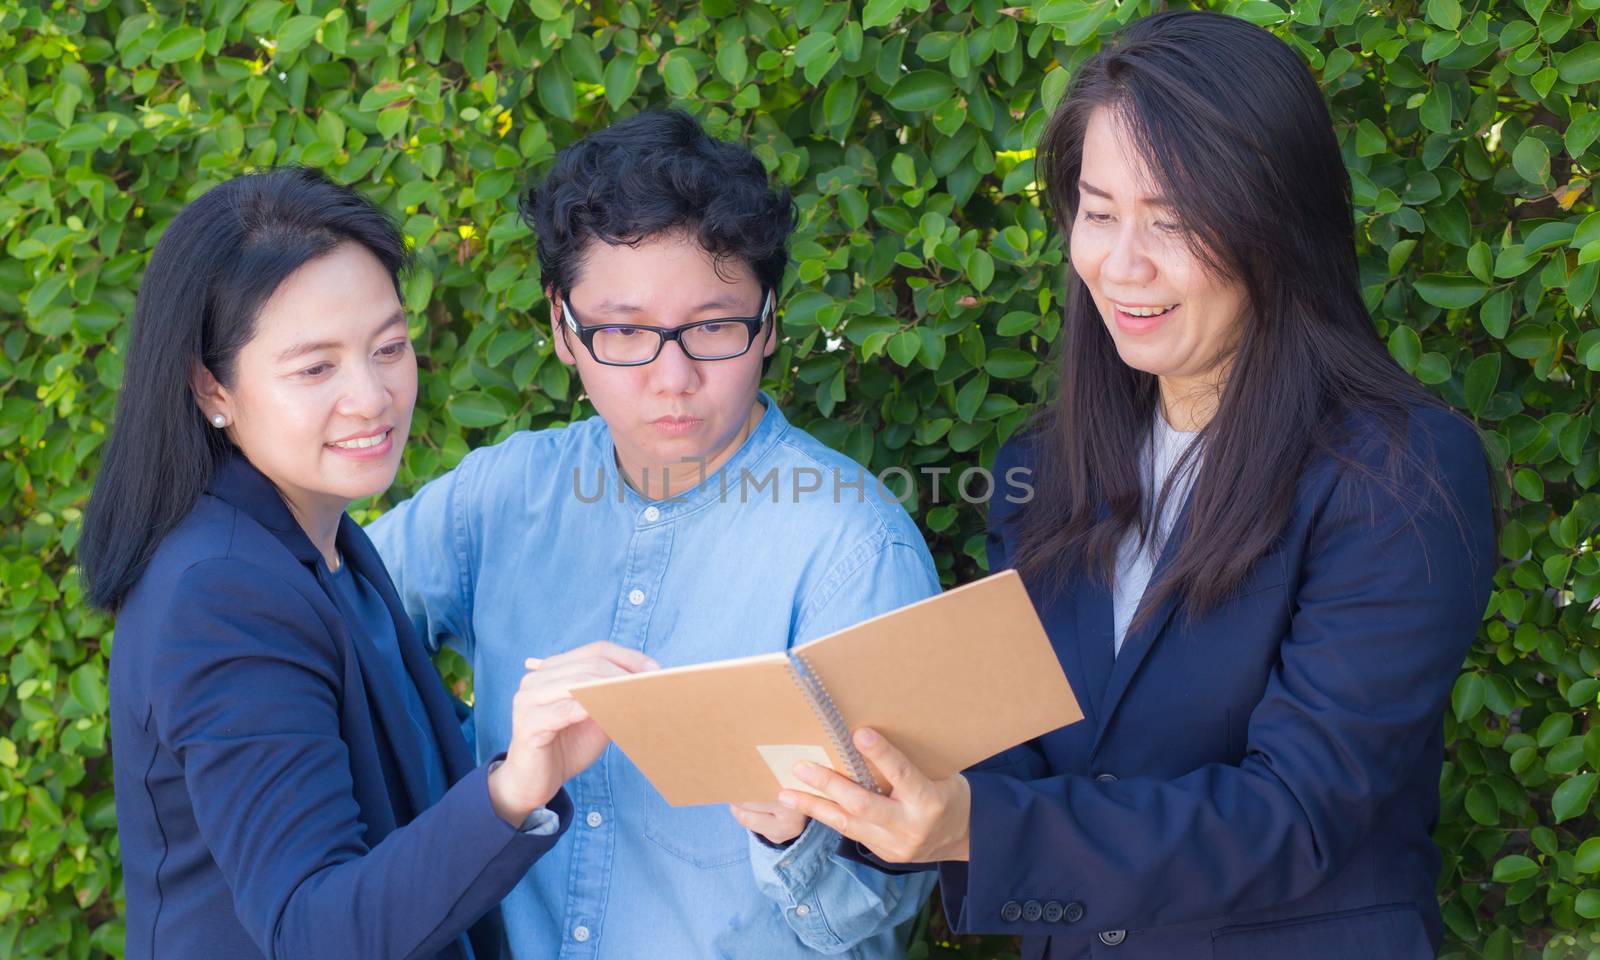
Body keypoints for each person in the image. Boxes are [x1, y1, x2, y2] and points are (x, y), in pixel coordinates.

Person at [776, 12, 1497, 959]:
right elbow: (1017, 756)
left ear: (1274, 222)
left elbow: (1298, 811)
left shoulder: (1397, 471)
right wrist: (846, 790)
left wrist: (970, 827)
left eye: (1176, 220)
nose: (1122, 265)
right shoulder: (1046, 468)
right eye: (1100, 210)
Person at [368, 109, 938, 958]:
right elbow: (328, 636)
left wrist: (794, 837)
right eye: (626, 331)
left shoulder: (853, 550)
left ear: (770, 321)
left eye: (713, 327)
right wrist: (464, 761)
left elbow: (887, 908)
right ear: (564, 327)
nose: (673, 380)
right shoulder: (500, 495)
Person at [83, 168, 653, 960]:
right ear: (212, 386)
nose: (373, 396)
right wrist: (510, 791)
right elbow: (312, 931)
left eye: (388, 347)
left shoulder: (320, 537)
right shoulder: (219, 592)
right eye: (315, 368)